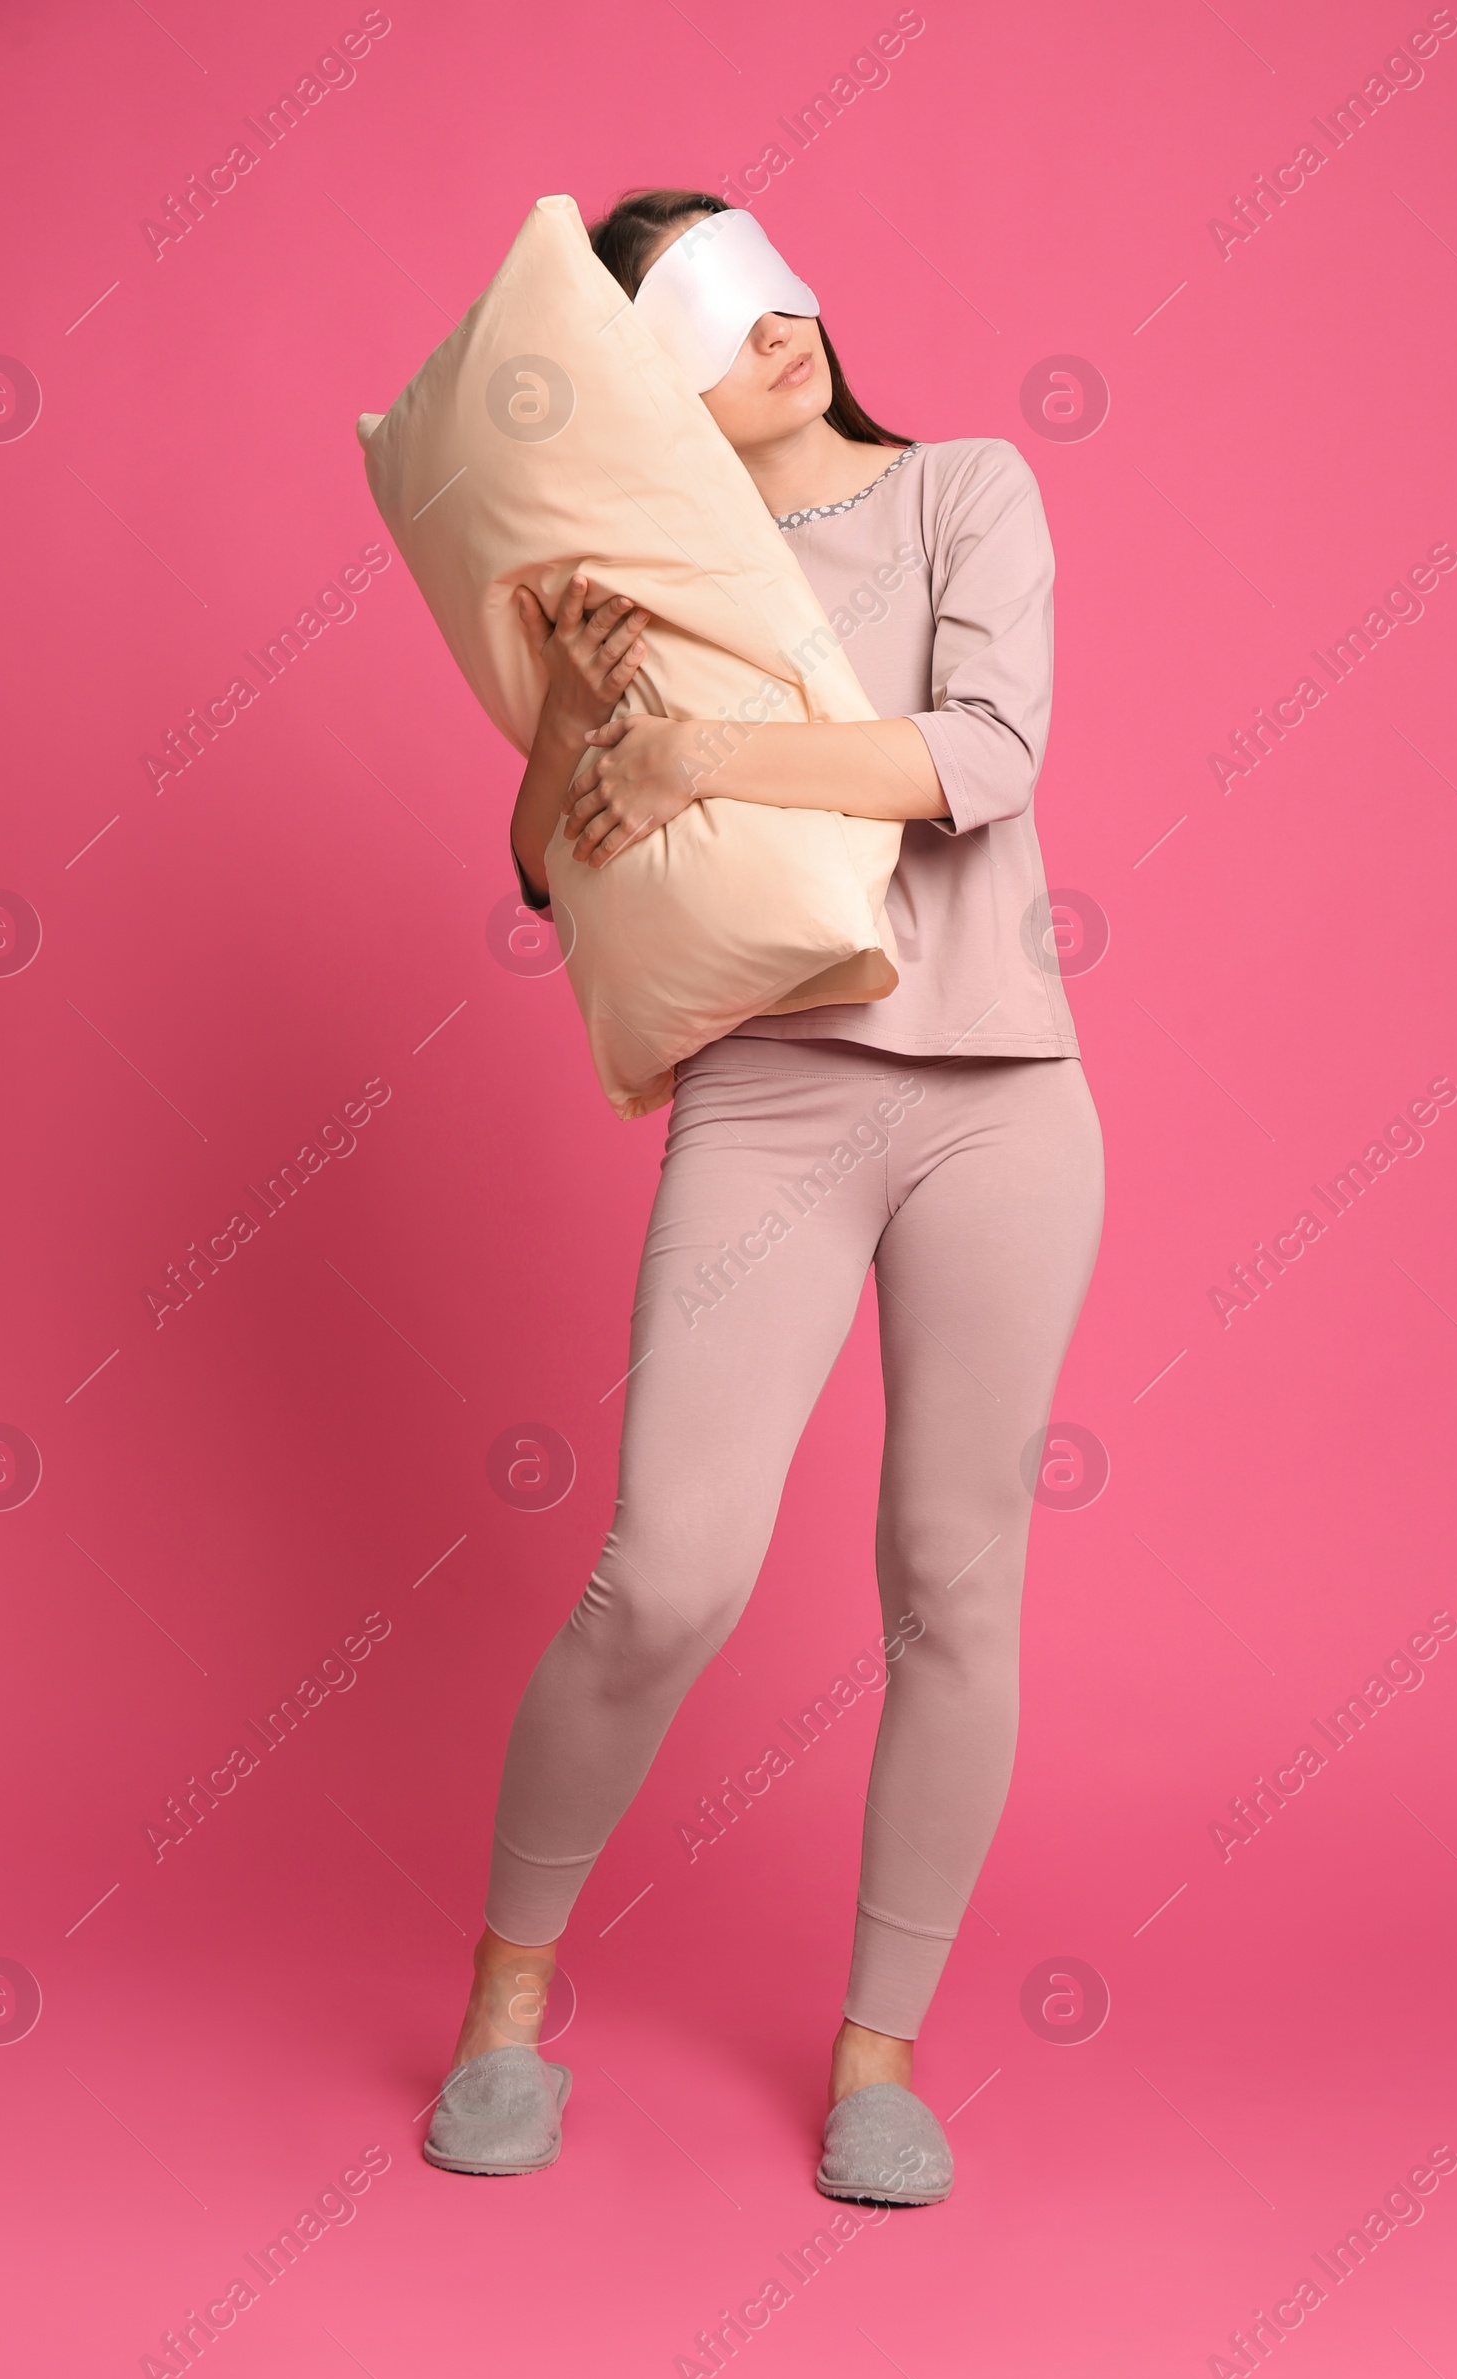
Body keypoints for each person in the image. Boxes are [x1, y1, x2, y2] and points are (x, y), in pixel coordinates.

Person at [423, 188, 1104, 2204]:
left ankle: (878, 2059)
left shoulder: (964, 488)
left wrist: (711, 745)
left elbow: (981, 753)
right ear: (641, 391)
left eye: (757, 277)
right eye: (689, 321)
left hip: (999, 1100)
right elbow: (556, 865)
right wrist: (579, 704)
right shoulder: (646, 571)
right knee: (671, 1570)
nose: (761, 330)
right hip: (768, 1097)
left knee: (951, 1582)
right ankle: (503, 2003)